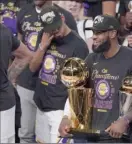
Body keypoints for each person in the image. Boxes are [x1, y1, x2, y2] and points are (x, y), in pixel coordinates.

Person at [59, 14, 132, 143]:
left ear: (113, 33)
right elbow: (78, 91)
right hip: (92, 135)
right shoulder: (91, 59)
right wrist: (66, 117)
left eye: (99, 33)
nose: (94, 36)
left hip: (121, 137)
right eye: (93, 32)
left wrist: (125, 120)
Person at [16, 0, 78, 143]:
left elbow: (74, 47)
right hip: (26, 82)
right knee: (26, 134)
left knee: (51, 137)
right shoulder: (24, 12)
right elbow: (18, 49)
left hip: (53, 90)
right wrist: (14, 76)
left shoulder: (66, 16)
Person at [29, 6, 89, 143]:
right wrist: (42, 47)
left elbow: (80, 87)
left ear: (62, 19)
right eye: (51, 30)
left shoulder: (78, 45)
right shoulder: (44, 35)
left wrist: (69, 116)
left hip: (60, 110)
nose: (55, 33)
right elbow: (32, 68)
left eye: (57, 28)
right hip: (41, 104)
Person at [0, 24, 32, 143]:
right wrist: (7, 78)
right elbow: (26, 55)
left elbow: (26, 56)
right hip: (5, 100)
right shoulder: (5, 31)